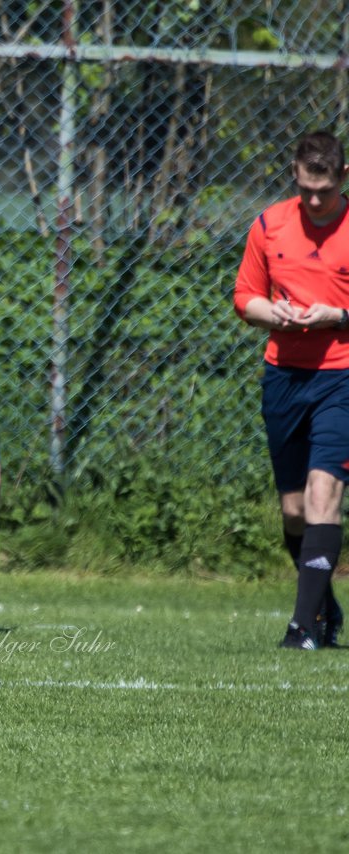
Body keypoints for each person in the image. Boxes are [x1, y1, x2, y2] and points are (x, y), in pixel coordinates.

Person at [234, 129, 349, 650]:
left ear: (343, 177)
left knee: (325, 492)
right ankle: (323, 606)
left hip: (342, 375)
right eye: (305, 190)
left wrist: (338, 315)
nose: (315, 200)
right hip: (283, 375)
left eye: (323, 190)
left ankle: (303, 628)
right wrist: (271, 313)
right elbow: (245, 298)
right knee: (294, 510)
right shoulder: (270, 224)